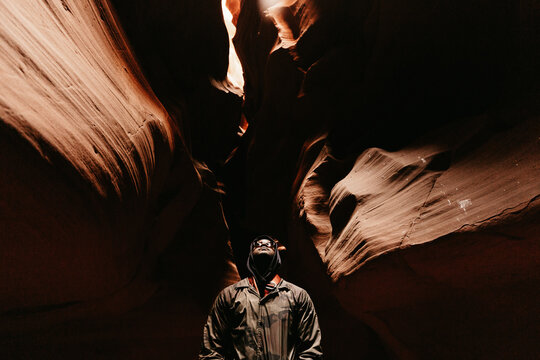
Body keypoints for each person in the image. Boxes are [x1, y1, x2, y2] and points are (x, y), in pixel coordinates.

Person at [199, 235, 323, 359]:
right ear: (250, 256)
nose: (263, 245)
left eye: (269, 245)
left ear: (277, 255)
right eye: (258, 244)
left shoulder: (298, 296)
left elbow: (311, 351)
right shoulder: (229, 296)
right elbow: (211, 349)